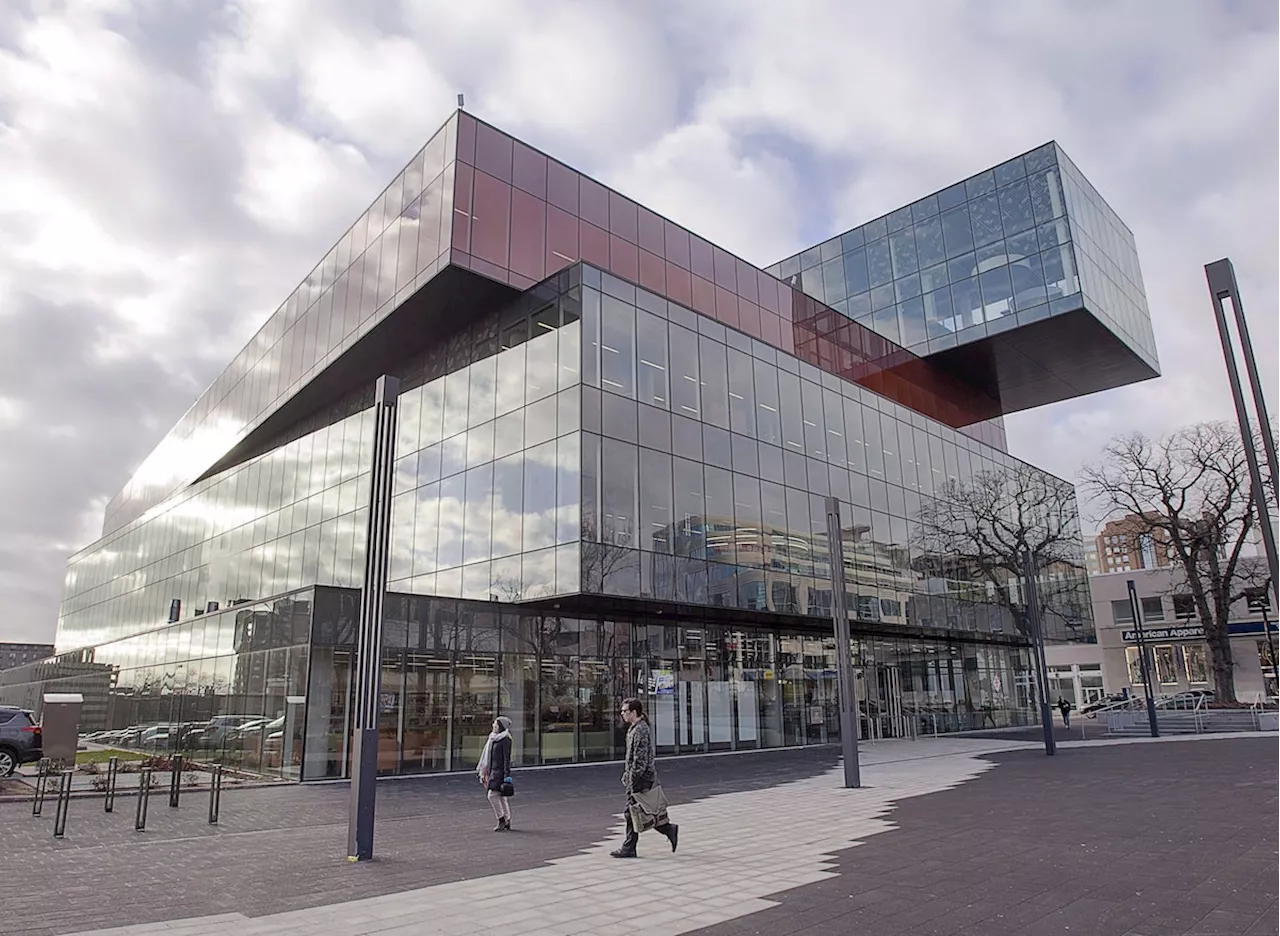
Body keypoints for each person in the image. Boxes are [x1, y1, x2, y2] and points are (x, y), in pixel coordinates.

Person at [611, 698, 678, 859]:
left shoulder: (640, 730)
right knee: (637, 812)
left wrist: (632, 780)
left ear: (634, 712)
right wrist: (627, 775)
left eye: (625, 711)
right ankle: (665, 830)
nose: (622, 714)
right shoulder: (635, 728)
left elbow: (639, 759)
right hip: (637, 777)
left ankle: (632, 846)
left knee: (635, 812)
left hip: (641, 779)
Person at [478, 715, 513, 831]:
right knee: (501, 797)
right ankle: (507, 820)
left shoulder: (505, 739)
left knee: (492, 796)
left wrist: (507, 775)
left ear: (501, 727)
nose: (493, 725)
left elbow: (506, 759)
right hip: (493, 770)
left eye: (496, 724)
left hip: (499, 772)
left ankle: (501, 819)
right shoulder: (493, 738)